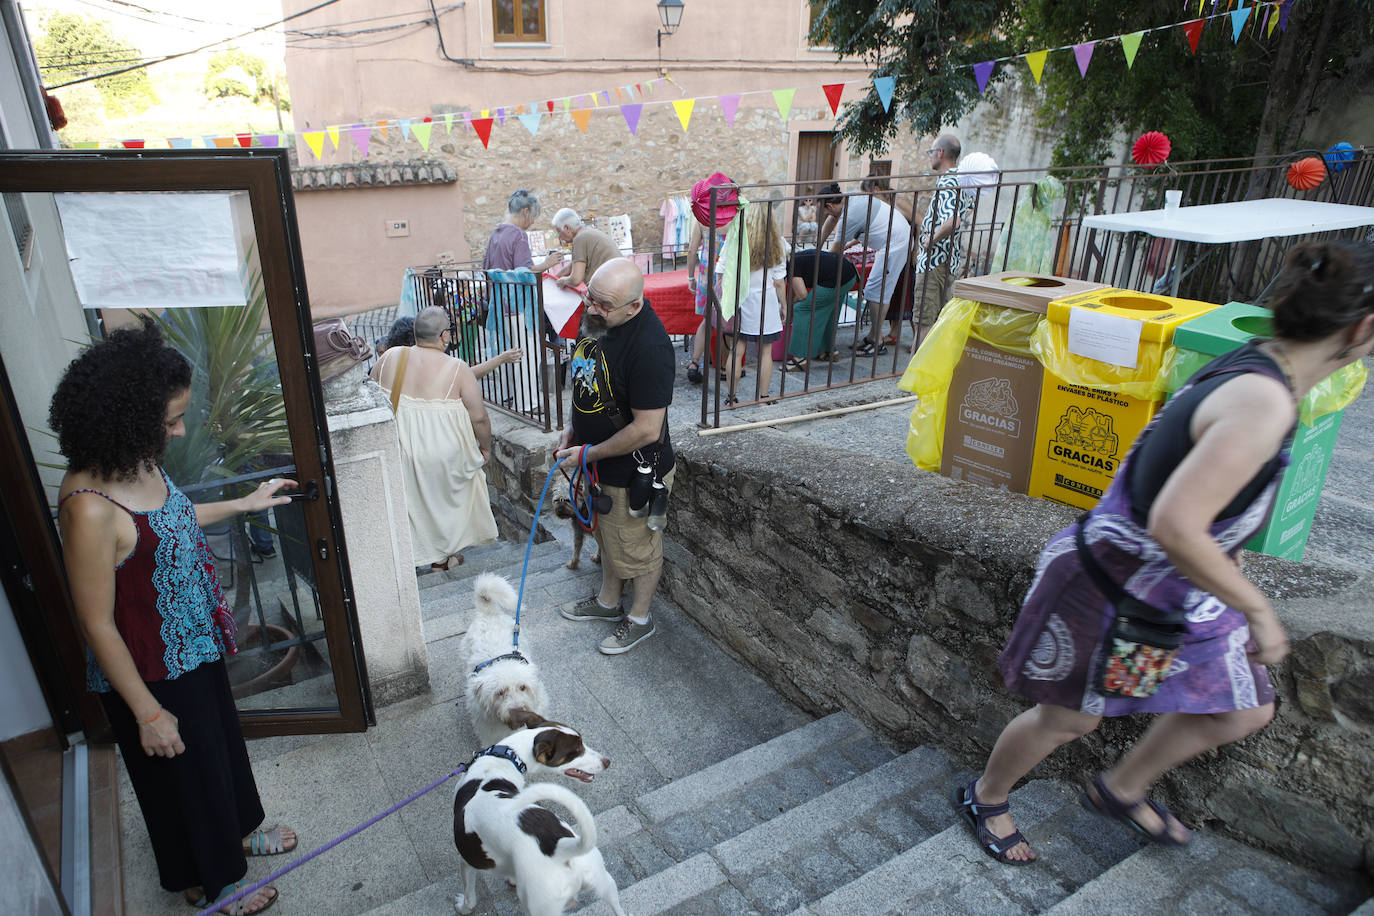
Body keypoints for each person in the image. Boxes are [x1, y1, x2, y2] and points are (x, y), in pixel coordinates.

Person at [959, 241, 1374, 866]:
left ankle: (1122, 787)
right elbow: (1178, 526)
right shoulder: (1263, 401)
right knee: (1071, 719)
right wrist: (1259, 613)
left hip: (1166, 601)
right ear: (1364, 329)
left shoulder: (1262, 364)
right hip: (1109, 597)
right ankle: (985, 796)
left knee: (1243, 706)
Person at [50, 320, 298, 915]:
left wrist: (243, 501)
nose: (179, 431)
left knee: (217, 759)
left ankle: (233, 841)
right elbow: (98, 624)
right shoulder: (88, 509)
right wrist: (148, 712)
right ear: (125, 418)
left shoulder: (137, 463)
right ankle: (211, 884)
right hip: (151, 671)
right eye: (170, 423)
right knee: (183, 782)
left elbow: (174, 520)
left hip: (194, 646)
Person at [555, 258, 675, 655]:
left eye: (604, 305)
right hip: (597, 462)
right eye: (590, 297)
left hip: (633, 469)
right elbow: (585, 377)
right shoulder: (596, 318)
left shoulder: (651, 347)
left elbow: (646, 429)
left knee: (638, 547)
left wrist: (589, 452)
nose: (592, 308)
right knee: (607, 538)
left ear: (634, 307)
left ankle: (640, 619)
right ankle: (608, 604)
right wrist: (574, 428)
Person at [370, 306, 499, 572]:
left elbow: (371, 396)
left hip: (402, 447)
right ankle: (442, 559)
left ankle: (435, 557)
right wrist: (485, 448)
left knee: (416, 504)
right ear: (444, 336)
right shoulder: (457, 368)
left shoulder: (390, 357)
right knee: (446, 504)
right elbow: (479, 417)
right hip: (444, 453)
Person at [817, 180, 911, 356]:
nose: (827, 216)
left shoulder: (850, 215)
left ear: (830, 205)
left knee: (877, 292)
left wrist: (819, 262)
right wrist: (817, 248)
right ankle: (873, 336)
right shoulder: (849, 198)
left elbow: (835, 251)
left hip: (896, 244)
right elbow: (831, 219)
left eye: (824, 211)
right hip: (892, 240)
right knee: (873, 290)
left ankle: (877, 342)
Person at [723, 202, 787, 405]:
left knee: (736, 350)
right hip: (765, 302)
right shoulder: (778, 242)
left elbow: (721, 269)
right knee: (765, 352)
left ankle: (731, 398)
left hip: (740, 299)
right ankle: (764, 397)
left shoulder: (735, 239)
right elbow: (779, 282)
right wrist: (784, 305)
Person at [910, 134, 968, 351]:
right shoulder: (960, 180)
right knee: (934, 322)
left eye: (931, 151)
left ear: (940, 153)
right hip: (946, 260)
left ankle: (915, 379)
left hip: (935, 261)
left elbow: (954, 219)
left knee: (923, 322)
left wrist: (929, 240)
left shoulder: (949, 181)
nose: (930, 156)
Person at [783, 247, 860, 369]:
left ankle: (800, 359)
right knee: (830, 310)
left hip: (835, 280)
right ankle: (829, 351)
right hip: (849, 275)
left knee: (802, 309)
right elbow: (794, 289)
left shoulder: (789, 265)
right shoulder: (796, 257)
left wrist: (792, 305)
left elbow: (802, 295)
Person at [482, 190, 563, 273]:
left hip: (494, 285)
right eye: (533, 217)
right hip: (511, 285)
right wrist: (547, 264)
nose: (532, 222)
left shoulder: (496, 232)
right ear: (526, 212)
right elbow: (525, 272)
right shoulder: (519, 235)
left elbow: (486, 266)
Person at [550, 209, 622, 290]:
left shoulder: (579, 239)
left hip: (613, 287)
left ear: (566, 228)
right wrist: (553, 279)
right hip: (621, 280)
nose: (559, 236)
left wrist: (562, 281)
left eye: (558, 231)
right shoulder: (587, 232)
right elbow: (570, 268)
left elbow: (575, 279)